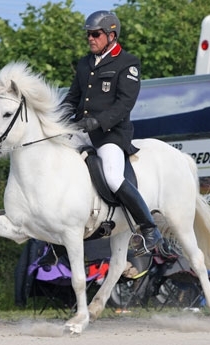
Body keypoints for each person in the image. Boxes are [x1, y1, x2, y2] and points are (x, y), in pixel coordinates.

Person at [62, 10, 163, 254]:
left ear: (111, 35)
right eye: (88, 34)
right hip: (81, 130)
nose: (90, 39)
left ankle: (149, 229)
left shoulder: (127, 63)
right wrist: (58, 120)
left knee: (113, 178)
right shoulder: (85, 63)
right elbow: (72, 97)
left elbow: (124, 104)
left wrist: (97, 122)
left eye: (95, 34)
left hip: (110, 134)